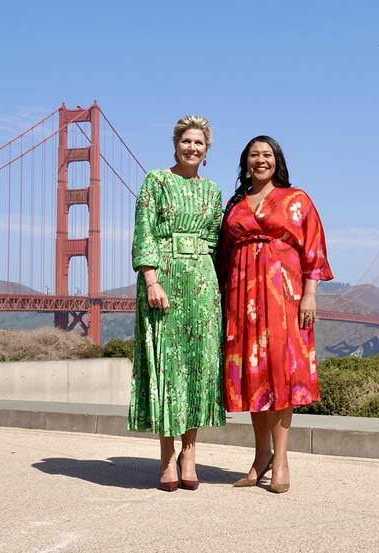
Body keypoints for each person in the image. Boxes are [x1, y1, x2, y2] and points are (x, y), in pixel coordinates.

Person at [219, 135, 333, 493]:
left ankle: (281, 460)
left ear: (277, 160)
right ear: (245, 162)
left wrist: (309, 296)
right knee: (255, 376)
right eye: (254, 155)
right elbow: (222, 257)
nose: (260, 160)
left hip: (285, 298)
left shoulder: (297, 200)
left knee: (282, 376)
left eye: (267, 155)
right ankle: (260, 456)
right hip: (242, 301)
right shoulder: (234, 204)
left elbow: (313, 250)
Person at [129, 115, 224, 492]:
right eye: (186, 141)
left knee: (197, 365)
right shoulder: (156, 181)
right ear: (175, 144)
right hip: (164, 278)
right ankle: (167, 457)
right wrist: (151, 278)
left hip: (201, 282)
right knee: (167, 366)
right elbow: (144, 231)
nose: (192, 148)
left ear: (207, 150)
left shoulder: (213, 191)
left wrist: (213, 284)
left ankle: (190, 453)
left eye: (199, 143)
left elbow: (216, 241)